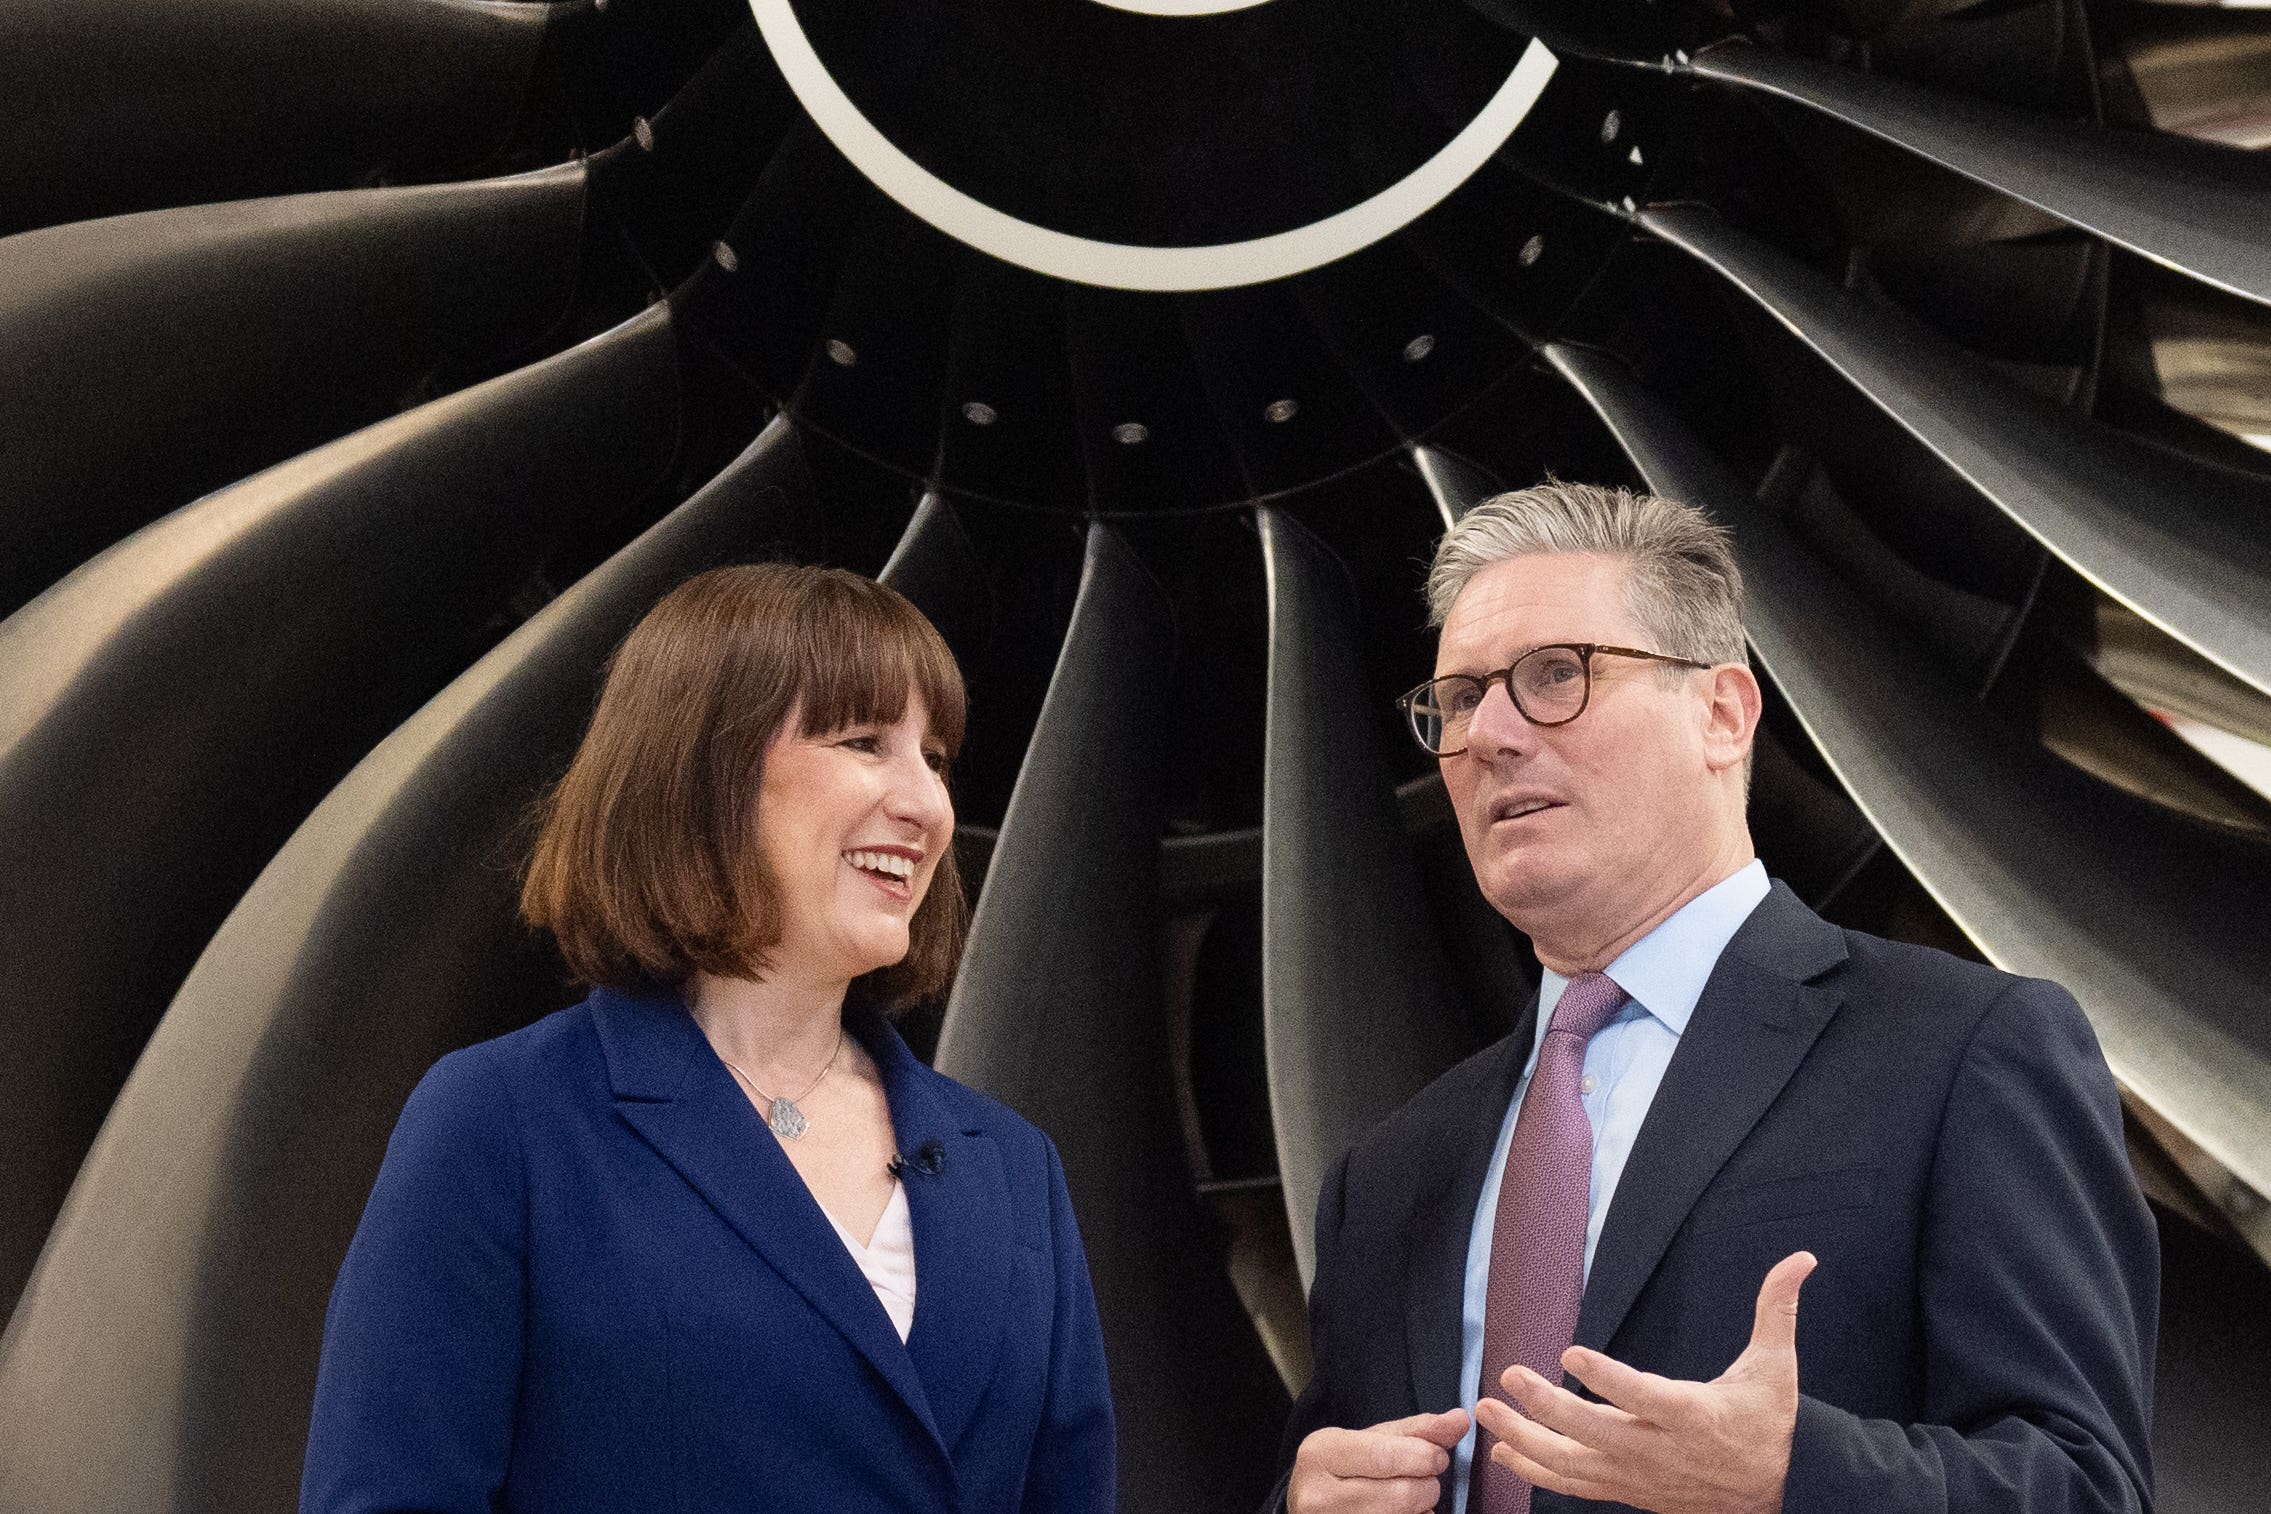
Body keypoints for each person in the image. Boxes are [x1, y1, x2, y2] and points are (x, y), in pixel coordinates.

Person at [1270, 482, 2156, 1514]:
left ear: (1723, 712)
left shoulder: (1964, 1051)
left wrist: (1790, 1476)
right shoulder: (1386, 1178)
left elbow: (2087, 1487)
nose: (1492, 735)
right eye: (1461, 698)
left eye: (1557, 674)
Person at [301, 563, 1114, 1514]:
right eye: (864, 742)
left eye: (934, 758)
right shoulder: (501, 1121)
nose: (928, 806)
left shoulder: (1017, 1170)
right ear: (703, 769)